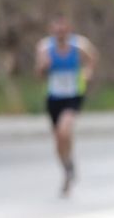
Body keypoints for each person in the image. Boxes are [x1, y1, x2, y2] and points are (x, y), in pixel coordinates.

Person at [34, 15, 97, 197]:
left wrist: (87, 72)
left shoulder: (79, 46)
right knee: (58, 141)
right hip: (54, 97)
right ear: (51, 31)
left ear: (68, 29)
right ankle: (67, 167)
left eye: (63, 30)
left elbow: (92, 59)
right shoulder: (45, 48)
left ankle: (68, 164)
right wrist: (43, 66)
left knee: (65, 130)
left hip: (73, 95)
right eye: (56, 31)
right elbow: (38, 74)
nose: (60, 34)